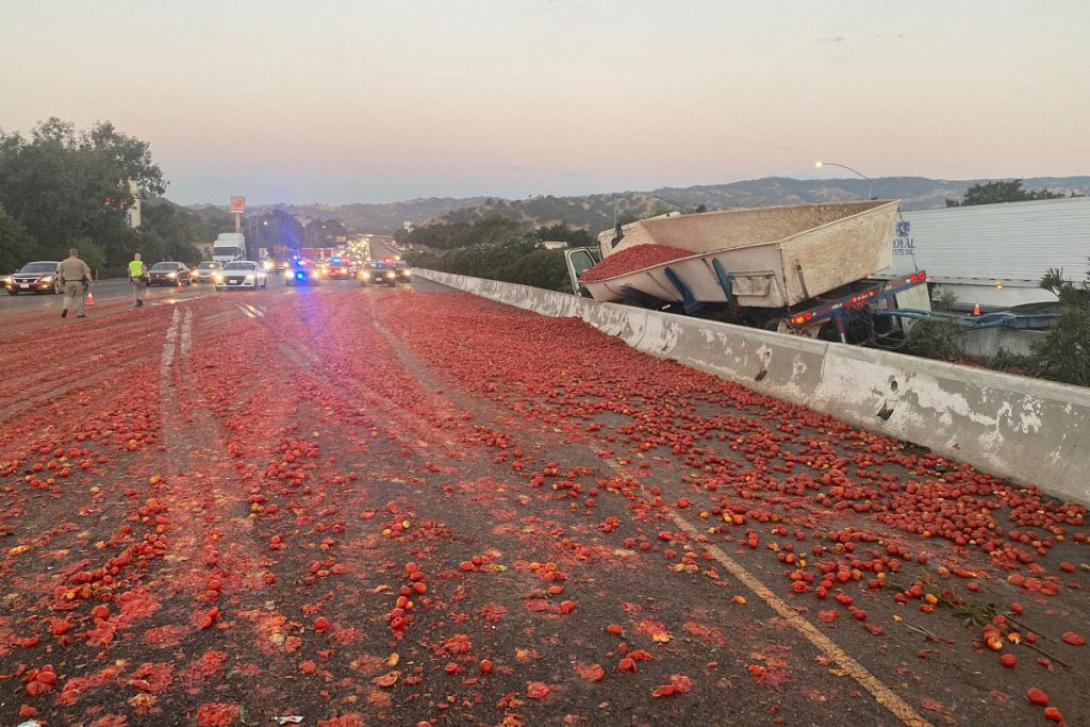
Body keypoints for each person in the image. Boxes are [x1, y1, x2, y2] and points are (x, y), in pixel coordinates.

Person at [57, 248, 92, 319]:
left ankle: (65, 308)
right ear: (77, 254)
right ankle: (80, 313)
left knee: (68, 297)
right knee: (79, 297)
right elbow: (87, 273)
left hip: (68, 282)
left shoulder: (64, 262)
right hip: (78, 282)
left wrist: (59, 282)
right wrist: (90, 280)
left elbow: (60, 273)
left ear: (69, 254)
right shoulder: (81, 262)